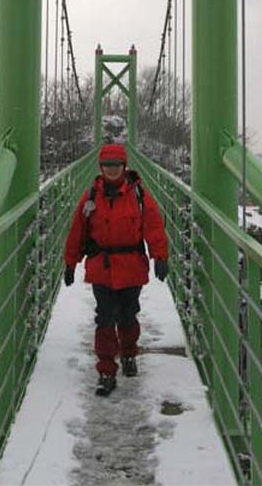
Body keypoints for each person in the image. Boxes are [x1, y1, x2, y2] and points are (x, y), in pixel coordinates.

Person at [63, 143, 169, 396]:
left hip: (131, 266)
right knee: (105, 318)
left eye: (116, 165)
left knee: (128, 316)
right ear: (101, 168)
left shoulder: (140, 195)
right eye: (107, 166)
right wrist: (70, 262)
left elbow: (153, 226)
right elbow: (78, 231)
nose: (112, 170)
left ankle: (129, 353)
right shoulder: (90, 197)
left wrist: (160, 256)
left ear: (124, 166)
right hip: (102, 266)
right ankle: (106, 370)